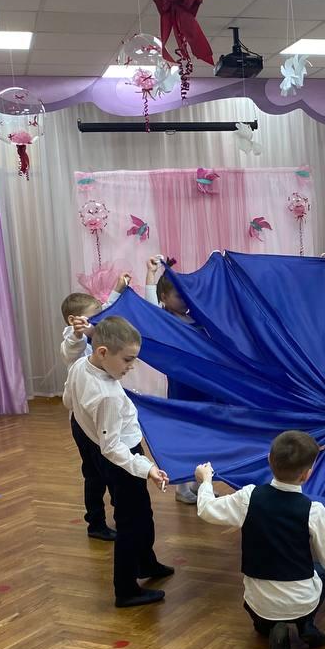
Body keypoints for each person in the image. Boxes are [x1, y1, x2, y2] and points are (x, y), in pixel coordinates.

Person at [194, 430, 325, 649]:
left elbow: (206, 509)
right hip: (301, 600)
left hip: (259, 601)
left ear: (269, 460)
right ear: (307, 474)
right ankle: (305, 623)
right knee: (322, 570)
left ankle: (270, 626)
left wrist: (206, 481)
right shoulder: (313, 510)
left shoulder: (249, 497)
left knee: (261, 608)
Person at [62, 315, 173, 607]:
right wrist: (147, 468)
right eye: (127, 360)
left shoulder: (81, 365)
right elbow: (112, 447)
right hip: (122, 457)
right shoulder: (107, 395)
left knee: (141, 512)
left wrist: (77, 336)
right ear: (102, 352)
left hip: (101, 444)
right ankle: (126, 589)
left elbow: (70, 364)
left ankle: (146, 562)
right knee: (131, 520)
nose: (130, 366)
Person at [61, 274, 132, 541]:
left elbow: (103, 317)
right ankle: (96, 522)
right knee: (94, 474)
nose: (96, 323)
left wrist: (117, 289)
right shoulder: (74, 339)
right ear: (73, 321)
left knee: (108, 469)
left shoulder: (95, 332)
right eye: (91, 319)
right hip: (83, 422)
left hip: (99, 417)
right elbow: (71, 348)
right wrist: (78, 333)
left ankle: (118, 512)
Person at [145, 255, 199, 505]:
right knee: (184, 438)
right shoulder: (166, 321)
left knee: (205, 436)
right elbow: (148, 310)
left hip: (206, 388)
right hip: (182, 388)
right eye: (179, 296)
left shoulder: (198, 317)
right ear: (164, 297)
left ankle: (201, 485)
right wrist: (151, 274)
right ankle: (183, 487)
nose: (185, 300)